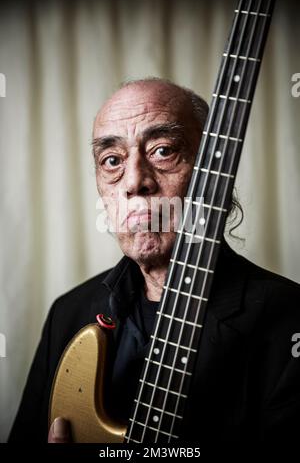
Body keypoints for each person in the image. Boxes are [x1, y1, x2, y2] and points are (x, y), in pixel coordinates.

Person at [8, 78, 300, 445]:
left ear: (214, 172)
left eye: (163, 151)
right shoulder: (68, 314)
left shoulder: (289, 318)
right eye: (111, 161)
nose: (134, 181)